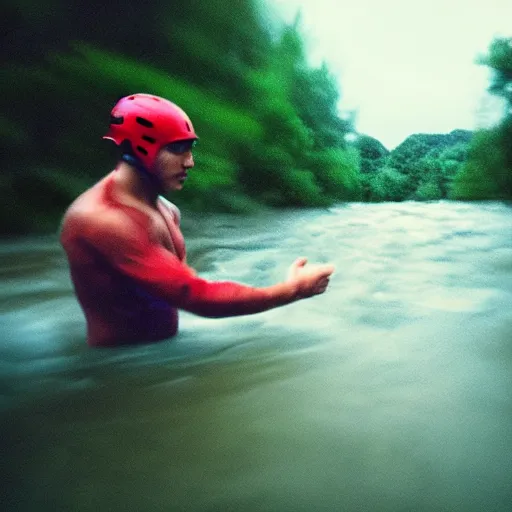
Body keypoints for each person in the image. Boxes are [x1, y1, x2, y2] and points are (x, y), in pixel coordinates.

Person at [60, 93, 335, 347]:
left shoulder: (166, 210)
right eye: (177, 149)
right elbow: (195, 296)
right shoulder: (105, 221)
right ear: (139, 149)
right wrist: (292, 290)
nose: (189, 162)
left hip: (161, 360)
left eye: (190, 149)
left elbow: (179, 288)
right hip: (116, 374)